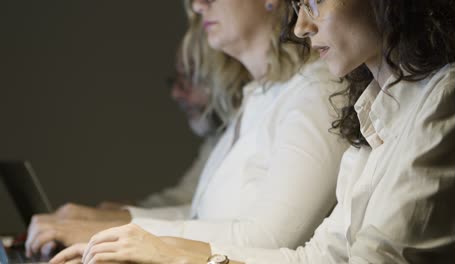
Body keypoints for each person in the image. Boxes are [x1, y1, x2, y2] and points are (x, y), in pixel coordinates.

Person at [51, 0, 455, 263]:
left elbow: (371, 260)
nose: (301, 26)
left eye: (316, 2)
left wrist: (172, 254)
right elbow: (320, 256)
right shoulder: (371, 110)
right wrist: (153, 246)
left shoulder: (448, 94)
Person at [27, 0, 349, 257]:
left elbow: (268, 239)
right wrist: (114, 223)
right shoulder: (260, 96)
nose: (198, 4)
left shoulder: (316, 91)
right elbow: (205, 220)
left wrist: (125, 232)